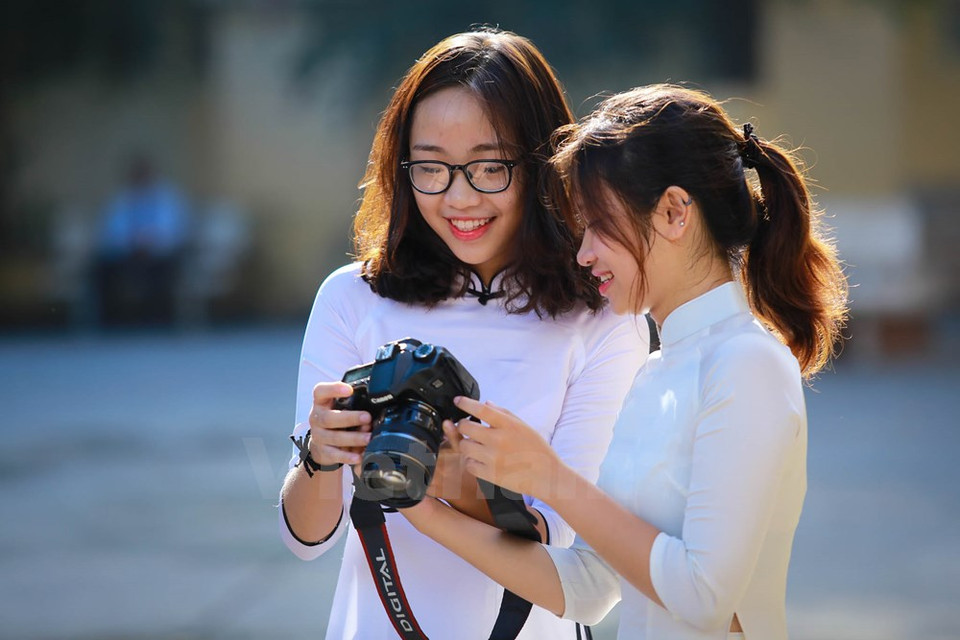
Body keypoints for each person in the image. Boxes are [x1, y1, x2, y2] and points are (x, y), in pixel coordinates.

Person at [400, 84, 849, 639]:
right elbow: (588, 590)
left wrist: (551, 479)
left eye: (597, 225)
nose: (583, 252)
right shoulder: (655, 372)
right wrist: (421, 507)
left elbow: (703, 595)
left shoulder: (747, 364)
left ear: (673, 212)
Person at [278, 29, 649, 639]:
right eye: (430, 167)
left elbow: (566, 545)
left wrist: (449, 480)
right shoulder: (353, 297)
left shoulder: (604, 315)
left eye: (488, 166)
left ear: (540, 164)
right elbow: (306, 540)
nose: (458, 196)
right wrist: (320, 456)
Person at [94, 154, 190, 326]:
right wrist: (132, 243)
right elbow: (111, 231)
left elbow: (174, 229)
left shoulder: (167, 197)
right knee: (101, 267)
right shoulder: (122, 198)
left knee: (166, 269)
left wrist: (150, 242)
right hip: (128, 252)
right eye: (137, 174)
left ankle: (160, 318)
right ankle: (112, 319)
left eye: (144, 173)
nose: (141, 178)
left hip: (160, 252)